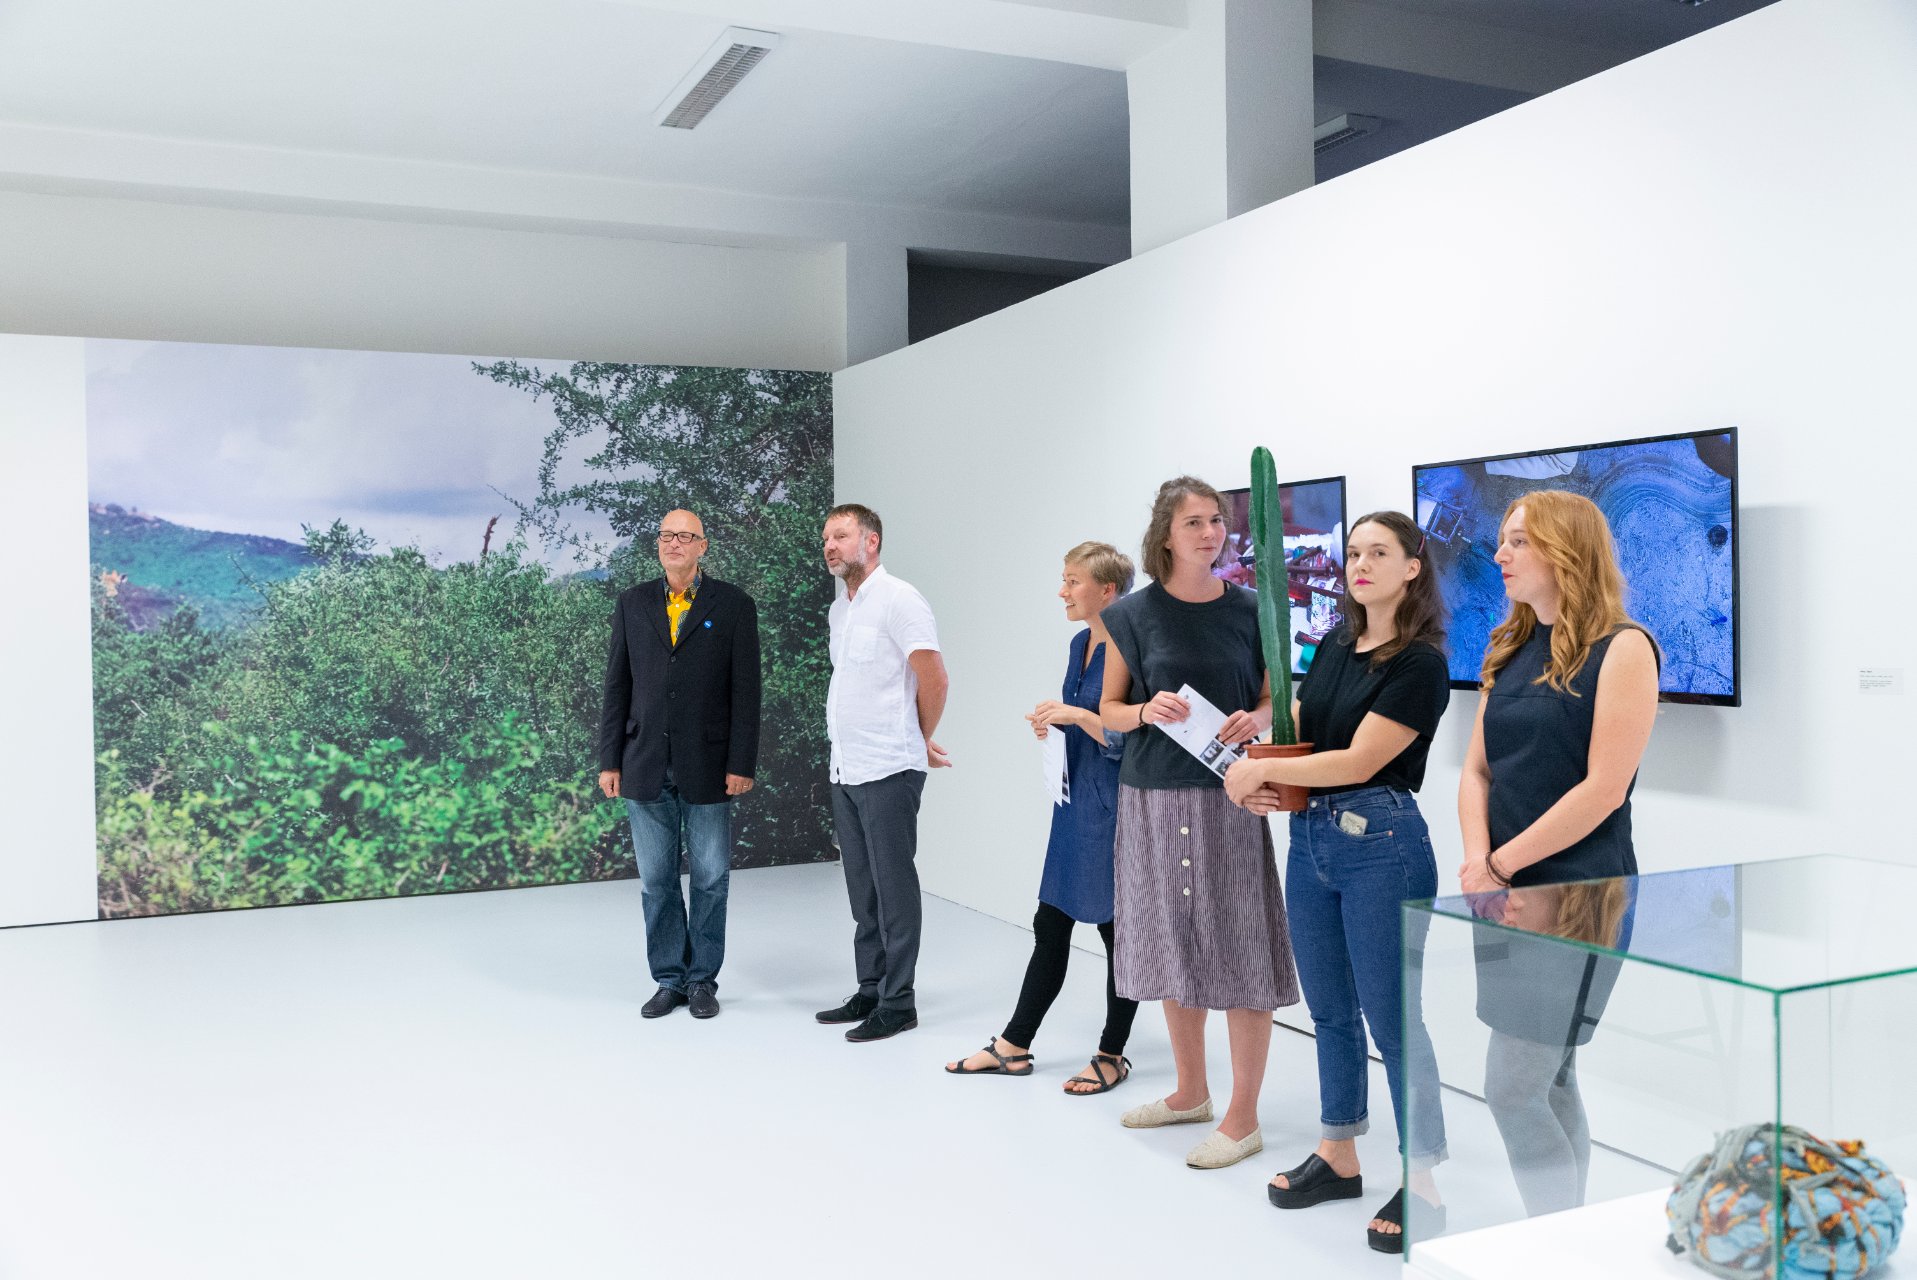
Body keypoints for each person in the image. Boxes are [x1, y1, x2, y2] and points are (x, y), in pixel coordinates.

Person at [1223, 510, 1452, 1253]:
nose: (1359, 564)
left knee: (1393, 1021)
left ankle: (1422, 1182)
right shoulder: (1331, 646)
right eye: (1353, 552)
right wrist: (1261, 767)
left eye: (1378, 552)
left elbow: (1359, 760)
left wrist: (1258, 773)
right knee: (1328, 1010)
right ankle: (1338, 1153)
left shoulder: (1419, 663)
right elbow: (1302, 734)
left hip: (1380, 842)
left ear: (1412, 567)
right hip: (1312, 836)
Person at [1457, 489, 1659, 1216]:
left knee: (1512, 1088)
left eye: (1519, 541)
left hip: (1578, 891)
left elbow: (1603, 790)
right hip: (1501, 889)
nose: (1500, 554)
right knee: (1551, 1079)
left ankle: (1547, 1243)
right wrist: (1480, 864)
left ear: (1565, 549)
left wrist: (1498, 866)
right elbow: (1476, 771)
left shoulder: (1624, 647)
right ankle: (1564, 1238)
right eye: (1502, 539)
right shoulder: (1508, 645)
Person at [1098, 476, 1300, 1171]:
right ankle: (1190, 1093)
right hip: (1150, 798)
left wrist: (1258, 717)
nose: (1211, 533)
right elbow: (1110, 710)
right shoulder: (1130, 615)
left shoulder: (1252, 609)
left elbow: (1277, 698)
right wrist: (1143, 711)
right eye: (1194, 522)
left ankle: (1243, 1118)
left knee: (1240, 947)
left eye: (1217, 520)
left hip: (1230, 796)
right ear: (1165, 533)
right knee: (1170, 943)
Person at [944, 542, 1141, 1093]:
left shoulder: (1132, 647)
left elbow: (1132, 736)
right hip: (1074, 802)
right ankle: (1014, 1045)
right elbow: (1088, 721)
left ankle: (1112, 1054)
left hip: (1115, 807)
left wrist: (1075, 714)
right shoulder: (1081, 643)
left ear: (1107, 590)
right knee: (1050, 923)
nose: (1062, 591)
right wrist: (1055, 723)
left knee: (1117, 933)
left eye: (1073, 581)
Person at [597, 507, 761, 1020]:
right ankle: (669, 979)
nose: (674, 543)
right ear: (658, 544)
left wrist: (741, 762)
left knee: (710, 877)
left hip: (709, 764)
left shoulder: (733, 605)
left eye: (685, 536)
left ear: (702, 546)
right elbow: (617, 686)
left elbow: (746, 692)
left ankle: (702, 979)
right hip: (642, 761)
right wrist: (609, 760)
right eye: (666, 535)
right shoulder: (633, 602)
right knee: (656, 881)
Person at [813, 503, 951, 1044]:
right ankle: (870, 989)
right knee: (862, 890)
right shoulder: (840, 610)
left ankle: (899, 1002)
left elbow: (934, 678)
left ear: (871, 541)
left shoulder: (900, 599)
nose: (830, 545)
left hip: (889, 767)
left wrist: (917, 737)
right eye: (827, 537)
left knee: (894, 889)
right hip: (846, 768)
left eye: (841, 535)